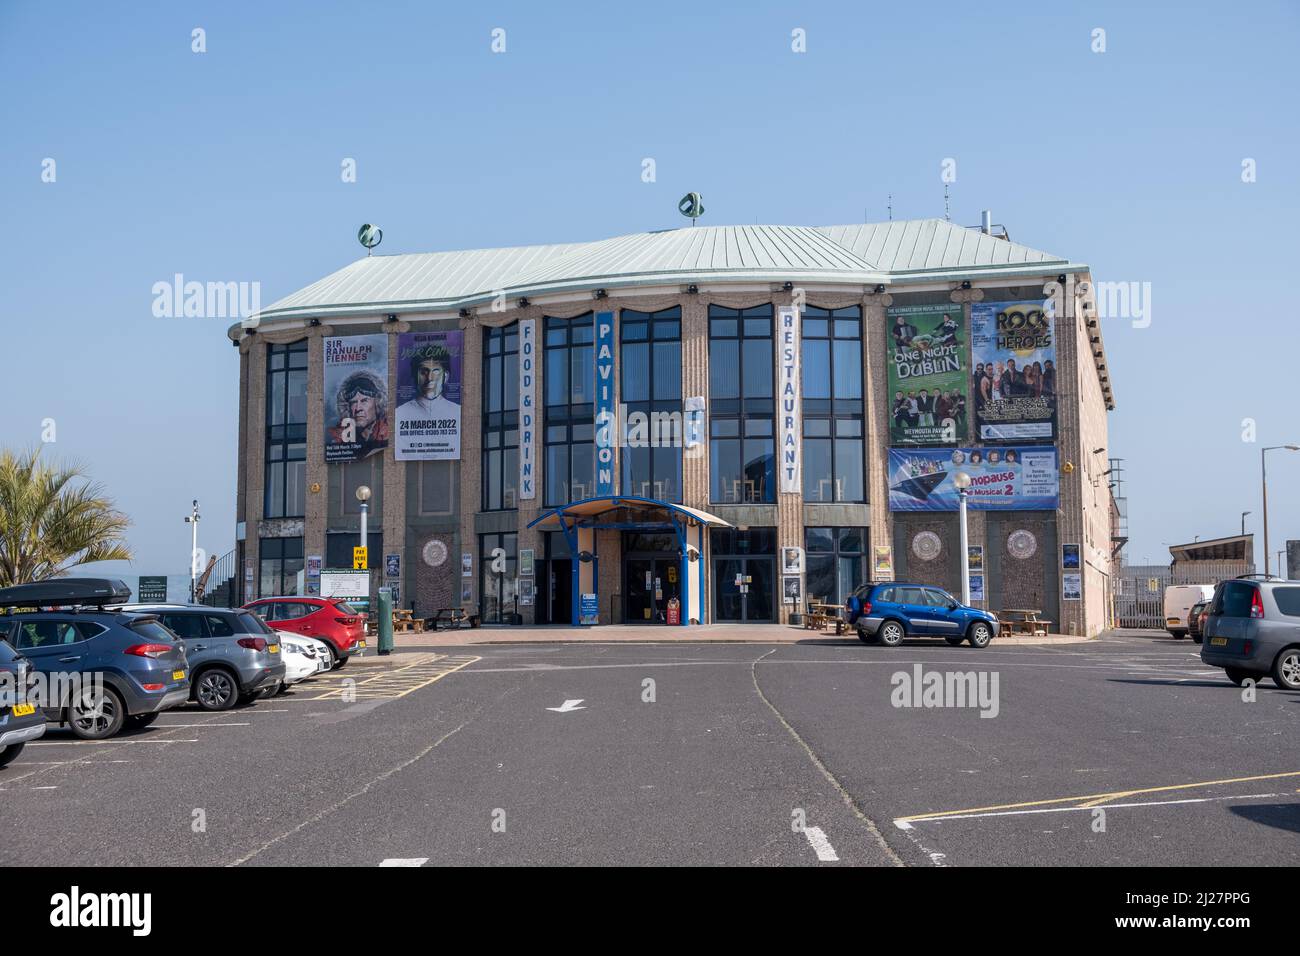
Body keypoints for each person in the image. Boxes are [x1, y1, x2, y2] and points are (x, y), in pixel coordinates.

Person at [395, 344, 460, 433]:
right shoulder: (400, 412)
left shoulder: (457, 412)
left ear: (446, 376)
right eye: (423, 372)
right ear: (414, 376)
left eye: (436, 371)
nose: (429, 378)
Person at [329, 371, 389, 459]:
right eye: (353, 402)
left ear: (378, 402)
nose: (358, 408)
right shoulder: (338, 439)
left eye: (364, 401)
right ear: (347, 407)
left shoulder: (389, 432)